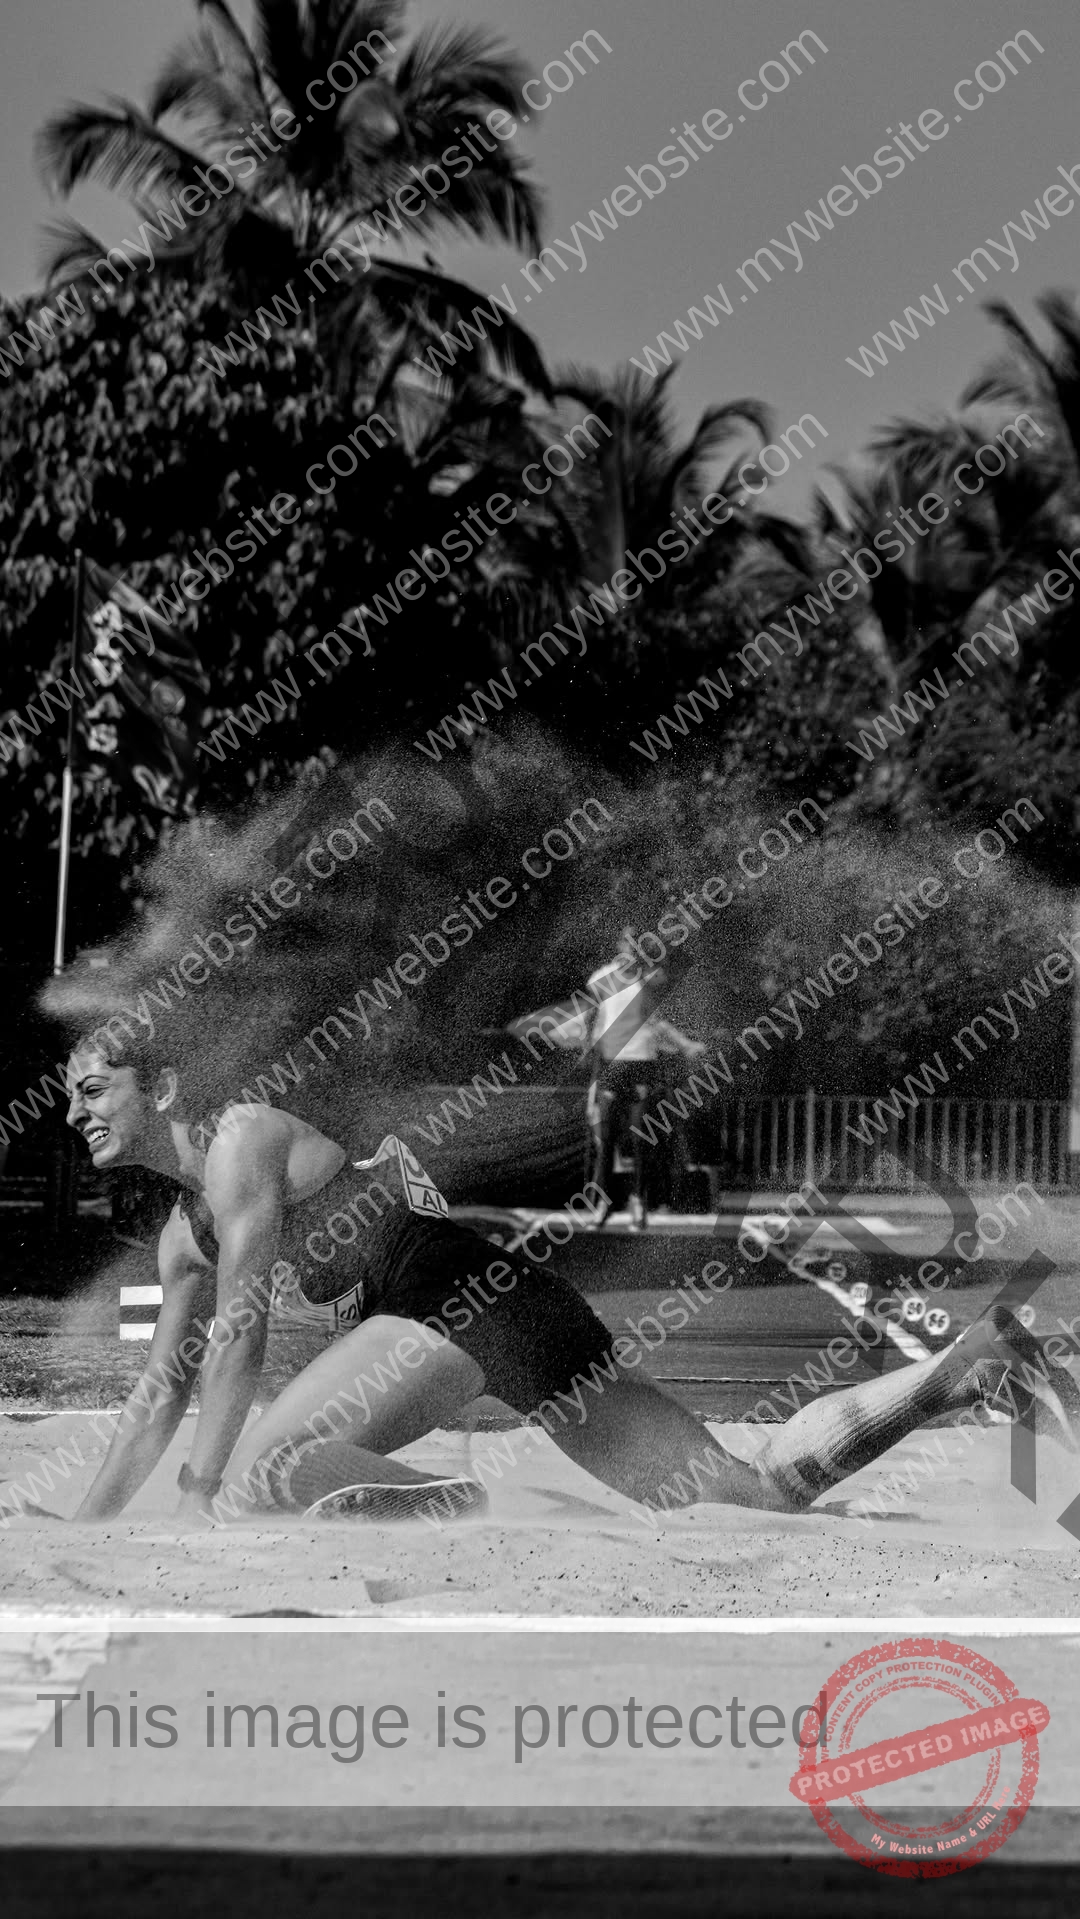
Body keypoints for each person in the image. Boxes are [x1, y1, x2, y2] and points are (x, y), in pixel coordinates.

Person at [51, 1026, 1080, 1528]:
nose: (75, 1110)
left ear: (166, 1085)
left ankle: (467, 1507)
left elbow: (240, 1339)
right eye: (67, 1097)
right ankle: (970, 1363)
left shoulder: (239, 1145)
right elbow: (156, 1394)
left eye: (95, 1087)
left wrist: (192, 1501)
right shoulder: (184, 1237)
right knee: (750, 1494)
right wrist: (91, 1530)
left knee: (268, 1474)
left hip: (461, 1301)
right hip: (474, 1325)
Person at [586, 931, 706, 1228]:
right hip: (612, 1064)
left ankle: (639, 1203)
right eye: (627, 942)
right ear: (619, 946)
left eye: (637, 944)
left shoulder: (649, 977)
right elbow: (596, 1023)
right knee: (607, 1139)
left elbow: (656, 1022)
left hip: (641, 1063)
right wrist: (592, 1083)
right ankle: (605, 1204)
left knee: (641, 1138)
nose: (632, 948)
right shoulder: (602, 977)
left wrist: (684, 1044)